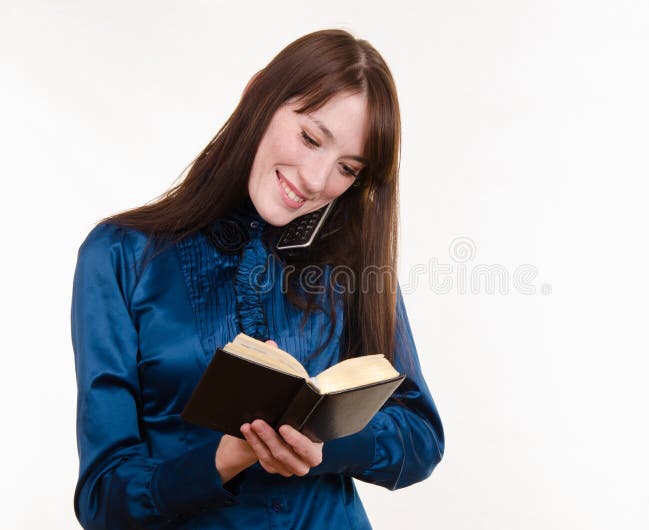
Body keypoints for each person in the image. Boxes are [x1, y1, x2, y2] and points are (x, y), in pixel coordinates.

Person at [71, 29, 444, 529]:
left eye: (347, 168)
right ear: (257, 95)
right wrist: (223, 460)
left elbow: (421, 437)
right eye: (310, 138)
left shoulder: (352, 260)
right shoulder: (120, 255)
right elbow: (103, 499)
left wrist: (325, 442)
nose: (316, 180)